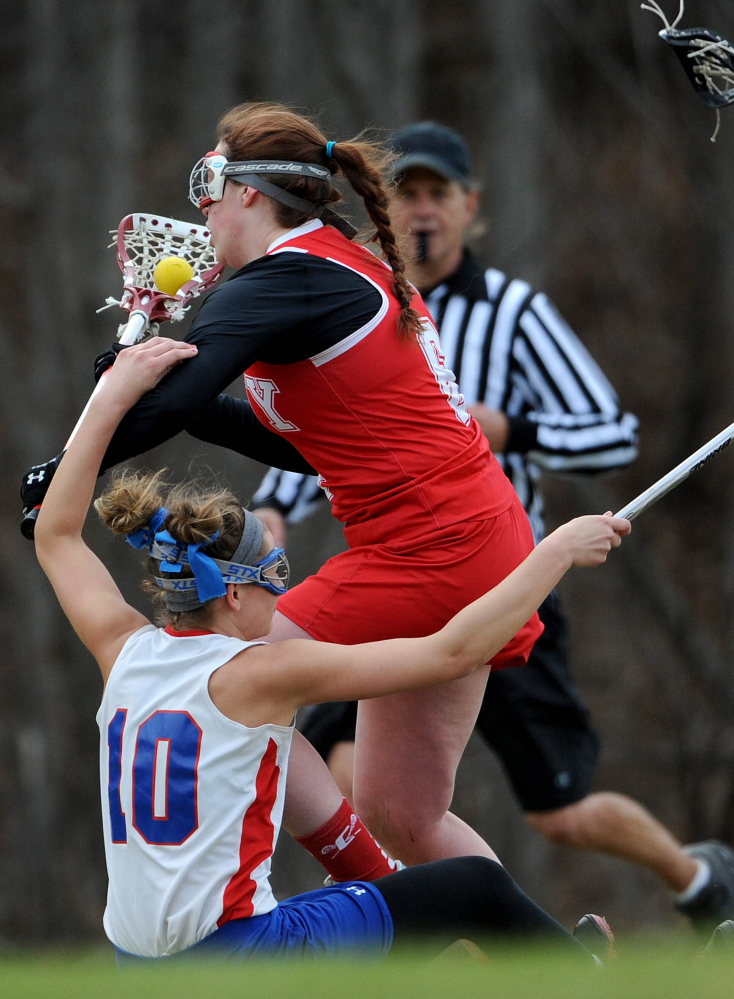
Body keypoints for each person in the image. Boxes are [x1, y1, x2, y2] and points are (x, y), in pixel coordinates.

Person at [21, 102, 559, 874]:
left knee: (225, 679)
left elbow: (167, 402)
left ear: (250, 192)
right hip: (471, 539)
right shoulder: (332, 266)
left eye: (207, 179)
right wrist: (128, 406)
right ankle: (560, 959)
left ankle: (390, 904)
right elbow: (308, 446)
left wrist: (65, 461)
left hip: (434, 548)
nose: (200, 204)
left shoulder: (289, 280)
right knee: (404, 811)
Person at [250, 121, 734, 930]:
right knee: (364, 779)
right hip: (398, 579)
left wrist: (504, 428)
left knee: (561, 810)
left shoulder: (514, 309)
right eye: (407, 193)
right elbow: (328, 434)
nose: (423, 211)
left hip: (515, 581)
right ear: (382, 206)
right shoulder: (347, 294)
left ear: (472, 208)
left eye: (440, 193)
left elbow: (611, 430)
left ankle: (695, 877)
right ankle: (456, 935)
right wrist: (274, 503)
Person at [33, 334, 630, 961]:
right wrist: (555, 552)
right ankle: (587, 976)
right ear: (234, 594)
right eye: (276, 573)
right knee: (473, 886)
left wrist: (111, 396)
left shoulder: (121, 649)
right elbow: (451, 655)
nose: (284, 591)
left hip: (137, 967)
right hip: (240, 956)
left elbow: (56, 537)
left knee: (384, 903)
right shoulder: (264, 673)